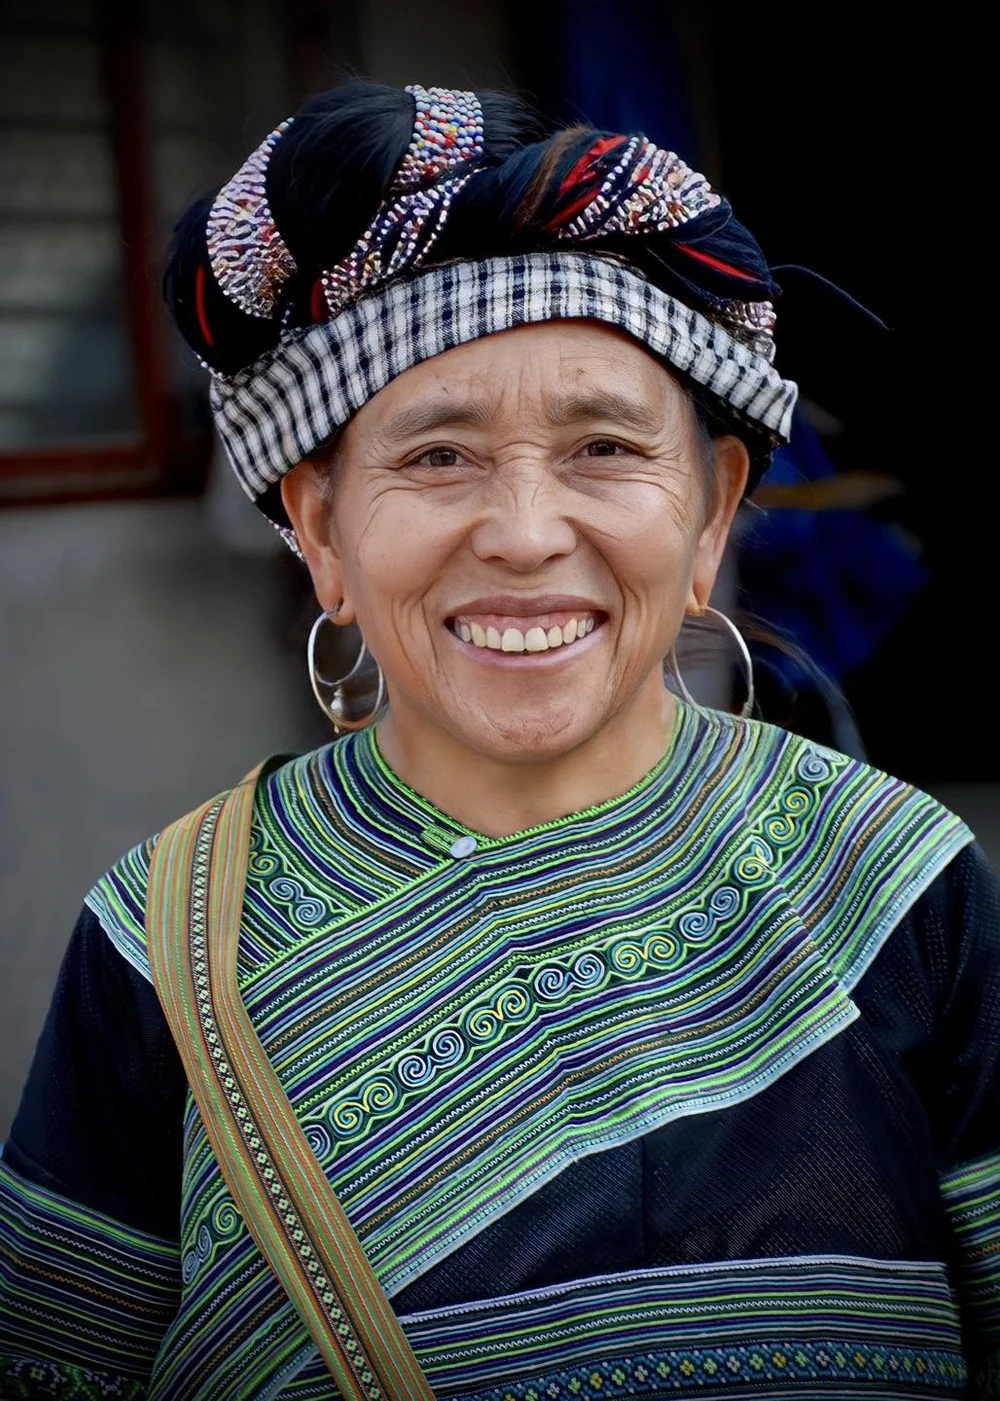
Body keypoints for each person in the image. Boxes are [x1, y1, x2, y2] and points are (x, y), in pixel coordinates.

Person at [1, 80, 996, 1401]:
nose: (525, 535)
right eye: (437, 458)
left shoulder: (896, 883)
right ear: (319, 529)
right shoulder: (167, 939)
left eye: (601, 446)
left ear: (709, 520)